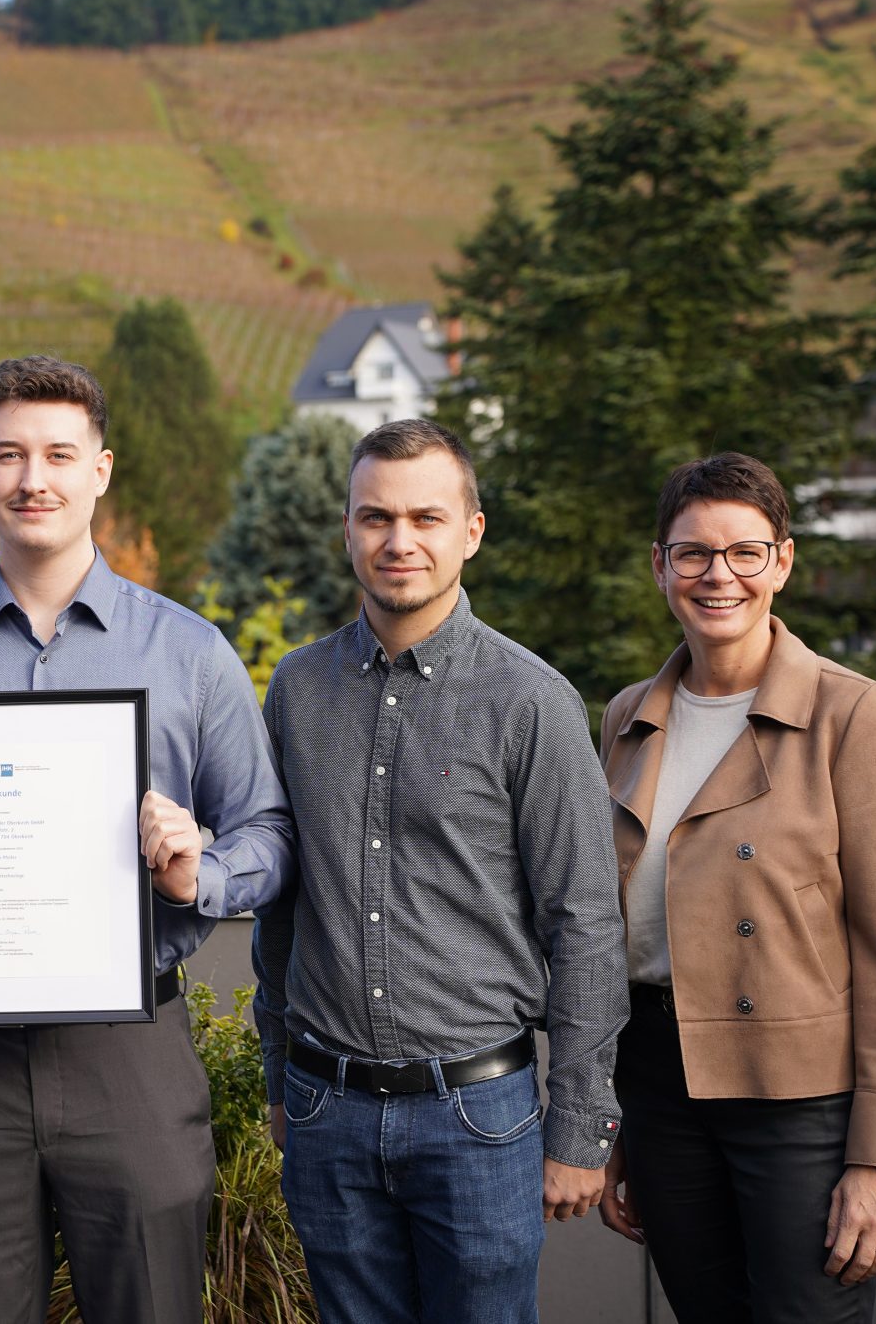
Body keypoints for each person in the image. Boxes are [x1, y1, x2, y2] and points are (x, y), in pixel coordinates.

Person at [0, 354, 291, 1323]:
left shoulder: (188, 654)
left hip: (130, 1053)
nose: (31, 478)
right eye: (8, 455)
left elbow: (266, 837)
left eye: (55, 454)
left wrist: (190, 873)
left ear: (101, 469)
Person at [253, 417, 629, 1324]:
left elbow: (584, 919)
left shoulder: (531, 700)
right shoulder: (296, 691)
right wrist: (278, 1081)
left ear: (471, 529)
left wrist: (580, 1126)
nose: (399, 540)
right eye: (376, 516)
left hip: (478, 1118)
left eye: (426, 516)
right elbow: (280, 908)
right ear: (347, 526)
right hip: (324, 1111)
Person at [594, 453, 876, 1322]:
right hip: (661, 1090)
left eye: (745, 552)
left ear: (782, 561)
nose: (719, 575)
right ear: (661, 565)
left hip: (801, 1105)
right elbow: (610, 930)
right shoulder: (627, 719)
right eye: (694, 553)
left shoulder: (852, 713)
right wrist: (612, 1119)